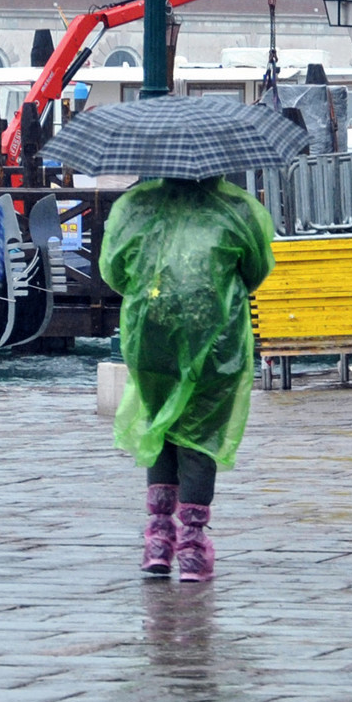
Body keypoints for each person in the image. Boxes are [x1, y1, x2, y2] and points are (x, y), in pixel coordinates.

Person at [99, 173, 275, 582]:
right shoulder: (237, 209)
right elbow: (255, 269)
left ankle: (158, 539)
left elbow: (113, 270)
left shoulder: (136, 207)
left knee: (161, 423)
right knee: (202, 431)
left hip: (151, 331)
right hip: (215, 337)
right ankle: (192, 545)